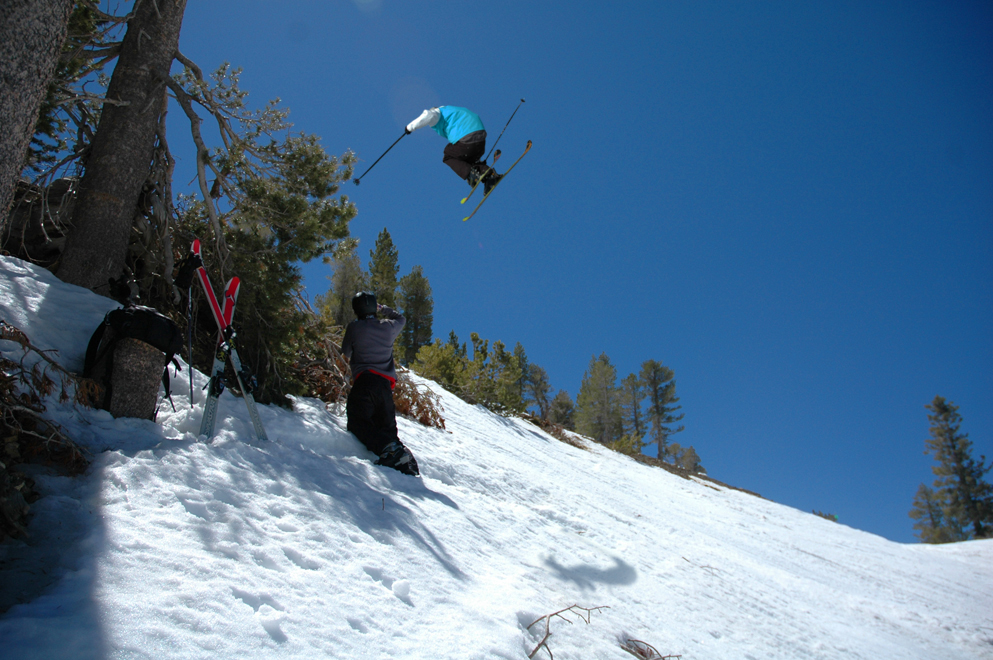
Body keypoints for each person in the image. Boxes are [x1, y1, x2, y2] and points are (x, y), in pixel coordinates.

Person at [340, 291, 419, 476]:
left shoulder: (355, 327)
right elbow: (401, 319)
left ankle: (391, 452)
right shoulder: (388, 327)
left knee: (358, 422)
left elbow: (346, 351)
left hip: (365, 382)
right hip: (385, 387)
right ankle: (403, 462)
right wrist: (383, 309)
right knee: (387, 428)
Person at [406, 106, 503, 193]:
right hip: (480, 140)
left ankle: (471, 175)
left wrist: (410, 127)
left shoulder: (438, 113)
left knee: (448, 155)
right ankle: (490, 176)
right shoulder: (451, 111)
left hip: (467, 137)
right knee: (465, 160)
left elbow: (428, 115)